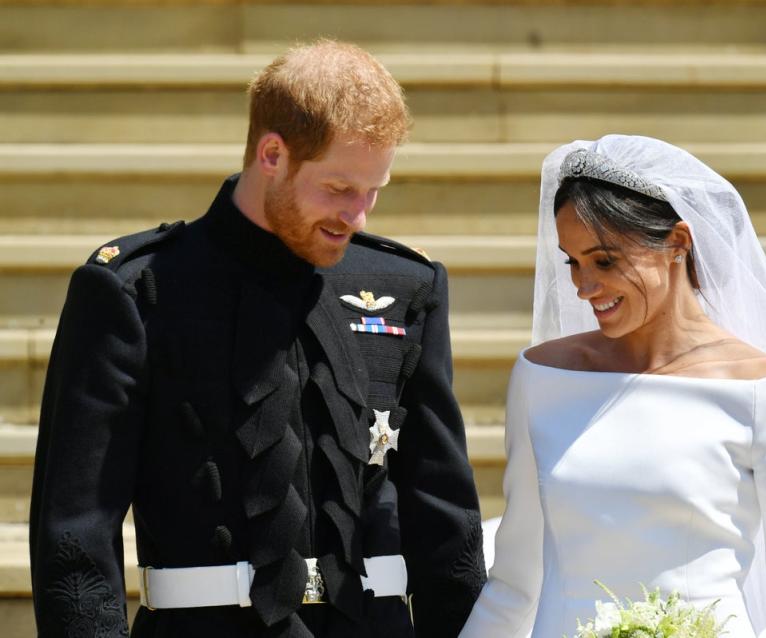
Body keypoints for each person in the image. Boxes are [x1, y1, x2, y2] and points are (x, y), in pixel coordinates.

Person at [30, 40, 486, 638]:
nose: (359, 216)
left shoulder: (403, 286)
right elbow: (76, 535)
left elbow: (445, 522)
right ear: (273, 153)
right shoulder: (135, 290)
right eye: (340, 189)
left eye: (374, 191)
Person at [459, 135, 766, 638]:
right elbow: (514, 585)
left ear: (678, 242)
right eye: (572, 261)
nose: (583, 286)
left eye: (604, 261)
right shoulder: (541, 377)